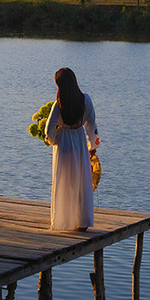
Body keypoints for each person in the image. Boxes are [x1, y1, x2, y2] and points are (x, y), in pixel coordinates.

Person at [44, 68, 99, 231]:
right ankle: (82, 221)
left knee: (64, 181)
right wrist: (92, 146)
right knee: (81, 180)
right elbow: (91, 124)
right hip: (80, 142)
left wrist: (52, 140)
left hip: (64, 144)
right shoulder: (86, 100)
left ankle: (64, 221)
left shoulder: (59, 104)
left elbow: (49, 129)